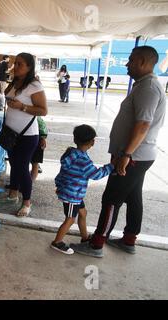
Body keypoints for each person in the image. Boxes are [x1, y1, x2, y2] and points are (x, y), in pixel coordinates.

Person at [71, 46, 166, 258]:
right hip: (137, 155)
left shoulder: (148, 88)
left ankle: (96, 244)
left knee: (111, 198)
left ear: (142, 62)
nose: (126, 64)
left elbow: (143, 125)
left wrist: (126, 155)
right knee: (133, 197)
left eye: (131, 60)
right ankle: (129, 239)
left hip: (134, 156)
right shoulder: (144, 85)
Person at [51, 125, 114, 254]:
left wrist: (59, 185)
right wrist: (111, 167)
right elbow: (96, 174)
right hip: (72, 195)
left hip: (75, 193)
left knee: (83, 213)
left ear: (75, 139)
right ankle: (57, 242)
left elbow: (62, 173)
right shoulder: (82, 160)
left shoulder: (72, 153)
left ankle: (85, 238)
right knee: (70, 219)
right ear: (92, 142)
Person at [1, 52, 48, 217]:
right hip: (11, 133)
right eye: (15, 63)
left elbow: (43, 110)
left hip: (27, 135)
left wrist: (22, 107)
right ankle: (13, 194)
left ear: (29, 67)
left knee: (21, 168)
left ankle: (27, 202)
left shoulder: (34, 85)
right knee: (14, 164)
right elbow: (6, 94)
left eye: (20, 64)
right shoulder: (16, 81)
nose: (15, 66)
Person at [30, 116, 48, 181]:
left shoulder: (36, 115)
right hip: (36, 139)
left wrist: (43, 138)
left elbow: (42, 126)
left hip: (37, 139)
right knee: (34, 163)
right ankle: (28, 182)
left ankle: (30, 182)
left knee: (35, 163)